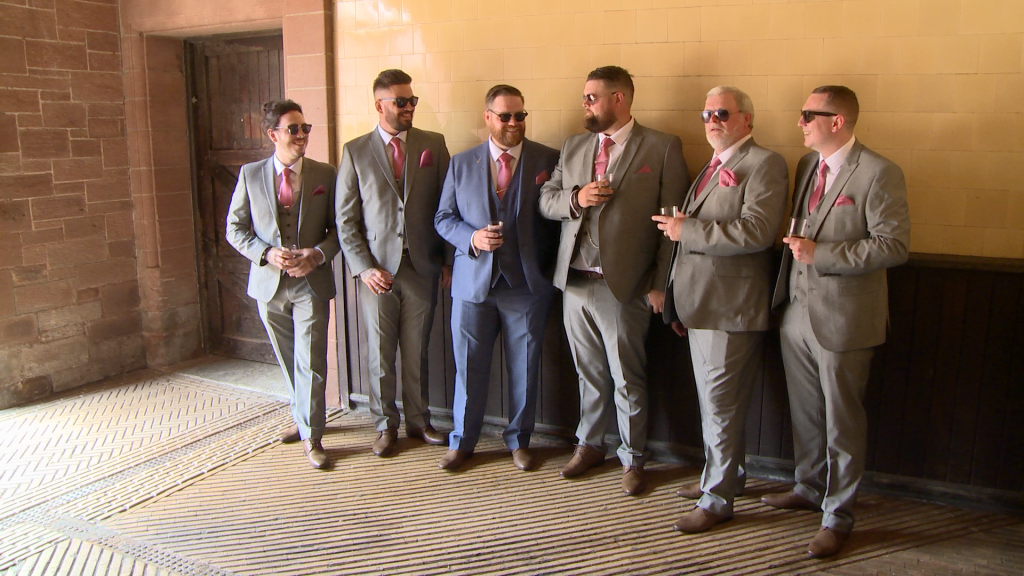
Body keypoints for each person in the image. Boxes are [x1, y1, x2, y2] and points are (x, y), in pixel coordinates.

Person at [764, 85, 910, 558]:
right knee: (806, 413)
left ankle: (838, 515)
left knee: (843, 421)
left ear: (838, 121)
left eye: (809, 114)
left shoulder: (880, 172)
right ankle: (808, 488)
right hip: (796, 313)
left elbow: (893, 246)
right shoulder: (808, 166)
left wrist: (821, 253)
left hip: (845, 319)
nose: (800, 122)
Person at [539, 66, 688, 496]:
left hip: (625, 287)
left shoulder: (661, 147)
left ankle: (633, 458)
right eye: (584, 97)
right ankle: (589, 445)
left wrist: (661, 284)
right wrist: (576, 197)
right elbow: (546, 199)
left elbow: (671, 225)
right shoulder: (573, 146)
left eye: (592, 97)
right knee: (588, 373)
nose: (584, 104)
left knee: (628, 377)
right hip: (574, 283)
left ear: (619, 99)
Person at [653, 86, 789, 533]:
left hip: (731, 308)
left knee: (722, 408)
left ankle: (717, 499)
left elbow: (756, 231)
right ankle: (728, 477)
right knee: (714, 406)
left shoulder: (764, 163)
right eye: (706, 112)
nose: (712, 119)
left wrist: (685, 228)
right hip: (701, 305)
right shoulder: (714, 165)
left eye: (723, 113)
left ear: (747, 120)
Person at [433, 85, 560, 472]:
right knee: (468, 367)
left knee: (525, 367)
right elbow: (443, 218)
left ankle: (519, 441)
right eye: (505, 116)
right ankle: (463, 441)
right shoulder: (461, 163)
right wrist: (471, 238)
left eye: (520, 115)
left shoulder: (548, 159)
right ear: (488, 117)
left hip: (526, 285)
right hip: (473, 285)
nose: (513, 123)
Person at [336, 69, 452, 457]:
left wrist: (449, 261)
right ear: (379, 105)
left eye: (412, 100)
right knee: (380, 353)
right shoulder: (355, 151)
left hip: (422, 267)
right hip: (376, 273)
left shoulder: (432, 145)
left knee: (417, 350)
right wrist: (364, 267)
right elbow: (346, 220)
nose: (408, 108)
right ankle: (386, 425)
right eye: (400, 102)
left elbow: (448, 206)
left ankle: (419, 421)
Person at [226, 100, 339, 470]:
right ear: (273, 134)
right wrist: (266, 253)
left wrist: (318, 255)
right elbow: (235, 228)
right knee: (289, 360)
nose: (303, 135)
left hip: (311, 283)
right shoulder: (250, 175)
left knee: (311, 359)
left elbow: (342, 229)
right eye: (294, 129)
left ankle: (312, 435)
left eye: (306, 128)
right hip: (269, 286)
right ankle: (303, 415)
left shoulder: (326, 174)